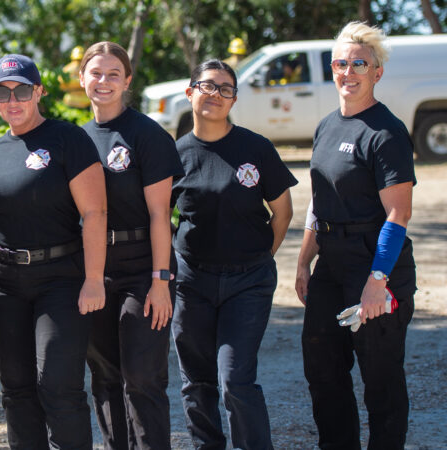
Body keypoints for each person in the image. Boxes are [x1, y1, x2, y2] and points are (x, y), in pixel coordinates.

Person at [0, 54, 107, 449]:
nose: (13, 100)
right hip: (1, 283)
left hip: (59, 279)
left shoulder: (68, 139)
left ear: (38, 91)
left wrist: (94, 280)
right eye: (2, 93)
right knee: (16, 389)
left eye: (22, 90)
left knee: (59, 386)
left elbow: (95, 213)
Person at [295, 22, 416, 449]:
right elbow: (319, 198)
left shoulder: (386, 132)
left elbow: (398, 214)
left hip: (375, 268)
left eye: (359, 63)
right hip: (332, 264)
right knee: (323, 371)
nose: (349, 71)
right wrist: (304, 258)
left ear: (376, 73)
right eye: (341, 63)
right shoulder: (327, 125)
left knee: (380, 381)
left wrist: (377, 281)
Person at [170, 59, 297, 449]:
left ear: (234, 99)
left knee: (235, 379)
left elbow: (283, 211)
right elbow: (160, 216)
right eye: (208, 86)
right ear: (190, 92)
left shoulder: (255, 148)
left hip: (248, 281)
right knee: (197, 382)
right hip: (193, 283)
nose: (216, 95)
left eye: (226, 89)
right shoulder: (174, 155)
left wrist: (261, 257)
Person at [78, 41, 183, 450]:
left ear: (128, 82)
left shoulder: (147, 135)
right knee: (103, 375)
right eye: (96, 73)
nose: (103, 82)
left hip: (143, 269)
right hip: (94, 272)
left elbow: (161, 215)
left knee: (141, 374)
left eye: (113, 75)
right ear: (82, 78)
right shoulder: (76, 139)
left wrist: (161, 281)